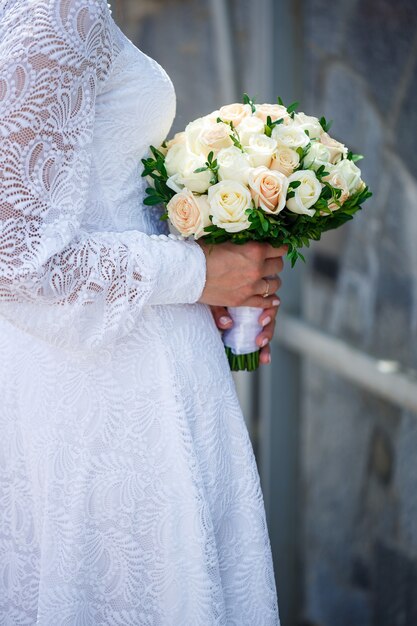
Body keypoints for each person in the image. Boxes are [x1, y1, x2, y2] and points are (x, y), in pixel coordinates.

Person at [0, 0, 285, 623]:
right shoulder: (57, 12)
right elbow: (20, 263)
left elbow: (80, 203)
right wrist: (199, 273)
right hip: (111, 393)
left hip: (100, 363)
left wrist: (213, 263)